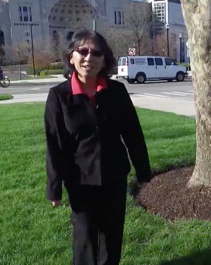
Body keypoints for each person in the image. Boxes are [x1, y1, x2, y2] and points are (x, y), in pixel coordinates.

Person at [44, 29, 151, 265]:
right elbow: (54, 145)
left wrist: (143, 171)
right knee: (84, 239)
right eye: (82, 51)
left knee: (111, 237)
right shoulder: (59, 97)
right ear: (71, 56)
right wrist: (54, 188)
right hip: (80, 180)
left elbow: (133, 133)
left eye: (96, 53)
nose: (88, 58)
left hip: (113, 176)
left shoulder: (117, 92)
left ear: (104, 60)